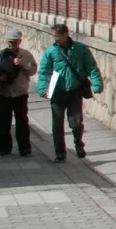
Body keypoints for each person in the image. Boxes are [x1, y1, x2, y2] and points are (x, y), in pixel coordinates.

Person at [35, 23, 103, 163]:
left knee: (76, 122)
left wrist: (97, 83)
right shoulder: (51, 52)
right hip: (57, 93)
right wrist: (42, 88)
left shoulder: (80, 49)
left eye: (57, 36)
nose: (55, 39)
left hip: (75, 91)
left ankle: (78, 143)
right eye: (53, 36)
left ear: (66, 34)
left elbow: (91, 67)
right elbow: (44, 72)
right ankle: (60, 153)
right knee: (57, 125)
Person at [0, 29, 37, 157]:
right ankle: (4, 148)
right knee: (3, 121)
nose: (12, 45)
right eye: (10, 42)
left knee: (22, 121)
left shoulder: (26, 54)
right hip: (4, 92)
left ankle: (24, 148)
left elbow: (33, 70)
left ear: (20, 41)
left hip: (20, 92)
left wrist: (22, 64)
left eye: (15, 42)